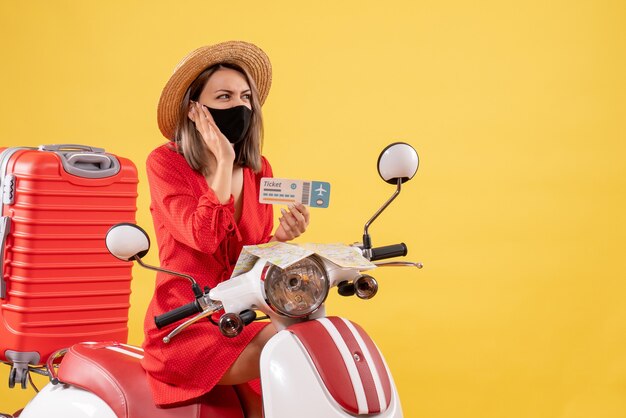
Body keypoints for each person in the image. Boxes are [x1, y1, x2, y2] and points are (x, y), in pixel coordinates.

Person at [142, 41, 310, 417]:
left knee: (308, 337)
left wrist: (281, 239)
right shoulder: (165, 164)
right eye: (224, 96)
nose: (240, 105)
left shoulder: (259, 169)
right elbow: (203, 236)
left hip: (240, 316)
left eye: (245, 96)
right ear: (194, 109)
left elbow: (246, 258)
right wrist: (222, 161)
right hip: (186, 325)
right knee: (290, 347)